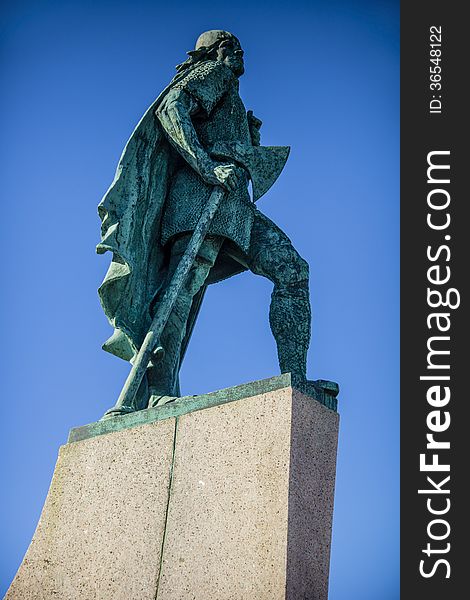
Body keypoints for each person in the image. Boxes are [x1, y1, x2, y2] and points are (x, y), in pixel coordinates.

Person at [97, 30, 317, 414]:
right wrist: (207, 166)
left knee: (292, 270)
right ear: (214, 53)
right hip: (199, 199)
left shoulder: (229, 91)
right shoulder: (213, 74)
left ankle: (294, 380)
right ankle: (155, 391)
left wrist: (246, 139)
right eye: (231, 47)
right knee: (183, 289)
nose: (240, 53)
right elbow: (171, 109)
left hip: (233, 208)